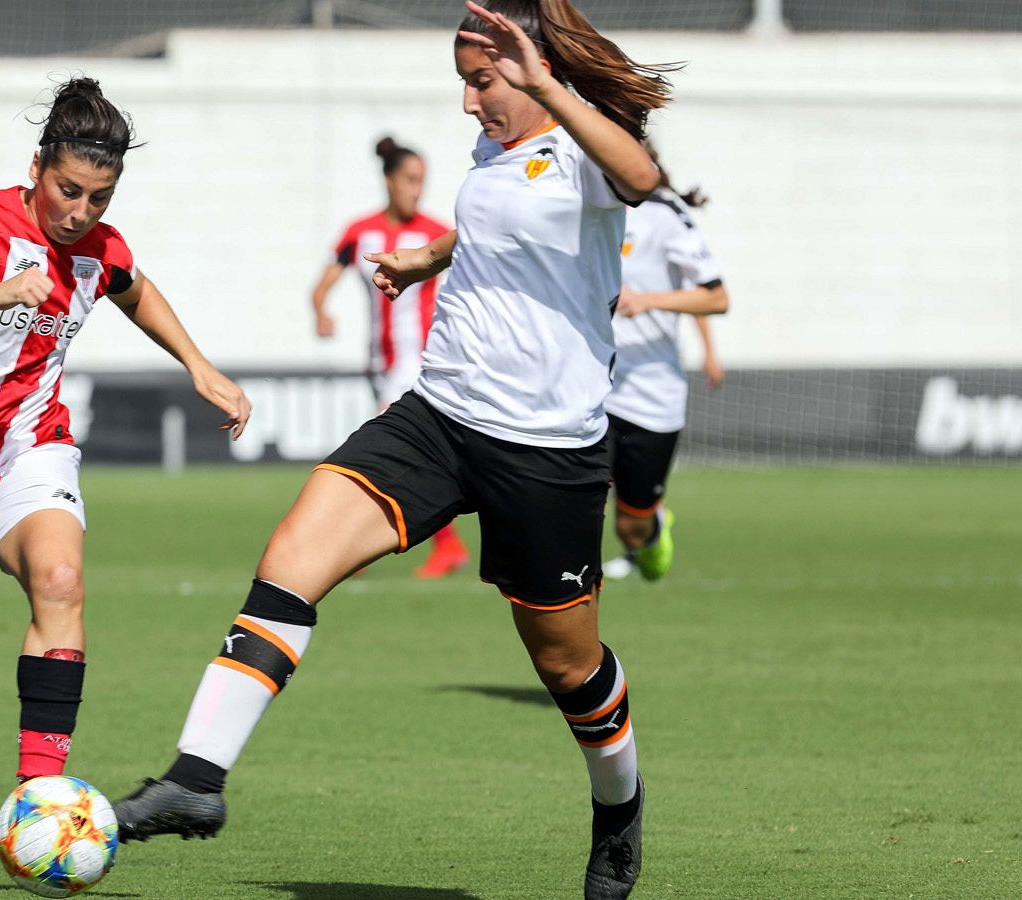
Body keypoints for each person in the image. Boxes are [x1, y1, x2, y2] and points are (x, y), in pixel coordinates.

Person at [113, 3, 672, 897]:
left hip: (545, 448)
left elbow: (642, 179)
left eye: (480, 80)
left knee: (567, 664)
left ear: (530, 67)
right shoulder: (498, 146)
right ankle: (196, 779)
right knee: (292, 555)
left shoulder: (586, 144)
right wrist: (431, 258)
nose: (465, 102)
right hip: (438, 416)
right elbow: (510, 225)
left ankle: (619, 811)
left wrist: (545, 87)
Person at [0, 76, 250, 849]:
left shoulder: (99, 248)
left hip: (26, 453)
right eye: (68, 190)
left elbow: (133, 286)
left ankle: (41, 805)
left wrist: (198, 366)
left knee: (62, 580)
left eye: (98, 198)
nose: (80, 213)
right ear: (37, 166)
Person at [309, 137, 469, 579]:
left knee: (378, 453)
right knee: (405, 456)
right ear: (389, 180)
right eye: (410, 180)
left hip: (420, 363)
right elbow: (323, 283)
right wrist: (321, 310)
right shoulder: (361, 231)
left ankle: (347, 547)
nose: (417, 190)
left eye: (422, 181)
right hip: (381, 363)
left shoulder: (437, 233)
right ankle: (443, 545)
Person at [602, 148, 730, 582]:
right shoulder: (584, 205)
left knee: (629, 522)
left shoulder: (663, 214)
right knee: (577, 496)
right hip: (592, 386)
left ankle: (651, 530)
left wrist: (649, 302)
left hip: (651, 393)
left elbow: (715, 297)